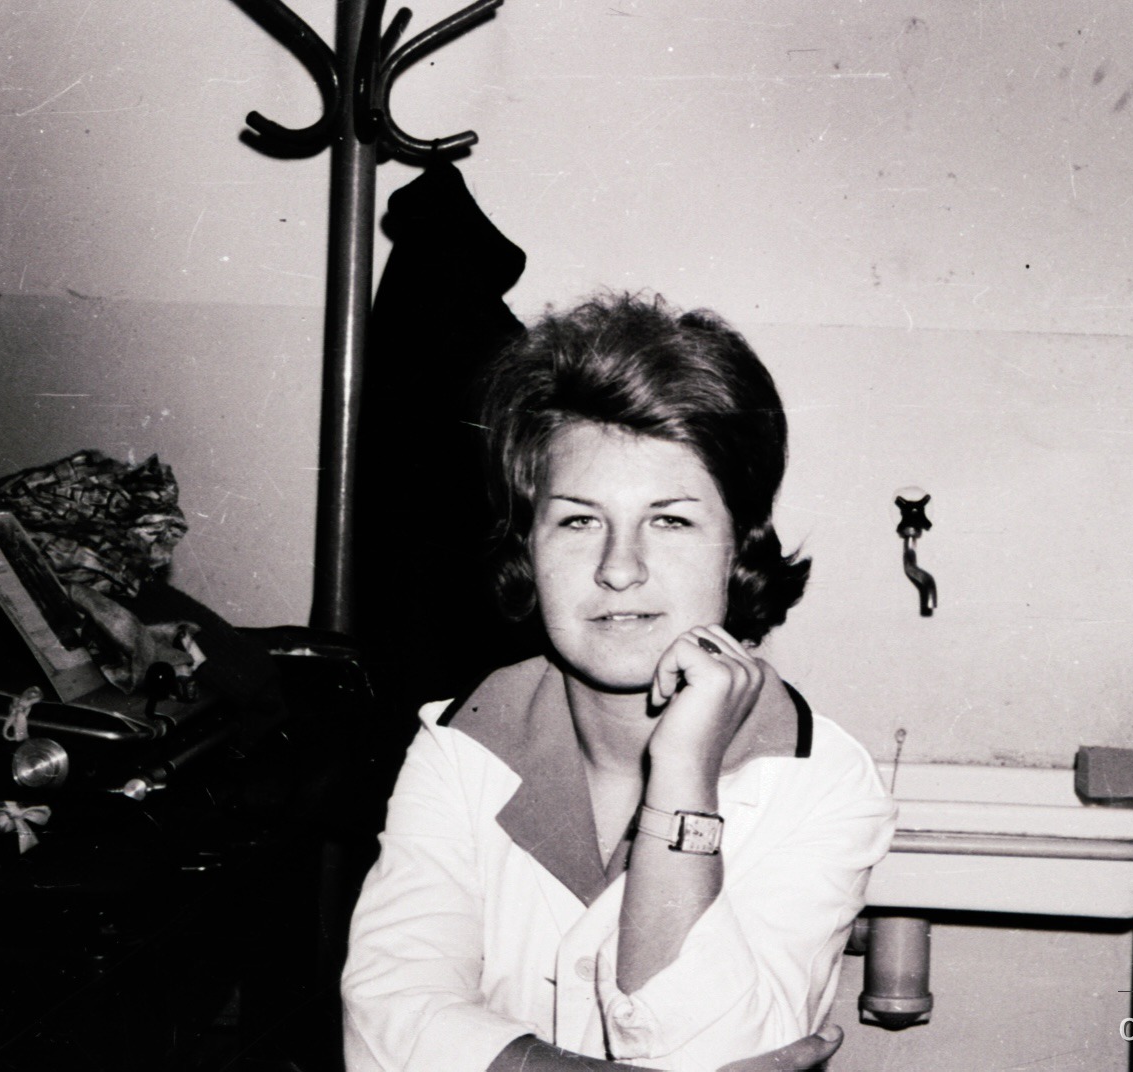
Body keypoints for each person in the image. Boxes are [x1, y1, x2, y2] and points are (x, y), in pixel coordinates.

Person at [341, 292, 896, 1071]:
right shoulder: (461, 745)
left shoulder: (821, 778)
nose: (619, 568)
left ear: (739, 550)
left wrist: (683, 775)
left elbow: (724, 1050)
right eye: (578, 520)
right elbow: (388, 1023)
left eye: (670, 520)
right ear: (527, 548)